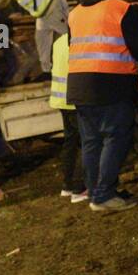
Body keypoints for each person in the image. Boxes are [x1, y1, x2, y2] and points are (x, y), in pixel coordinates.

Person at [66, 0, 138, 212]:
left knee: (91, 142)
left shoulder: (75, 13)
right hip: (111, 84)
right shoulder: (121, 8)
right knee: (116, 137)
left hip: (79, 85)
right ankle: (104, 195)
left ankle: (97, 191)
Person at [48, 30, 86, 200]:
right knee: (87, 143)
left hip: (61, 99)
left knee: (70, 143)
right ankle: (79, 189)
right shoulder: (79, 42)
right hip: (76, 100)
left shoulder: (58, 42)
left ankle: (67, 186)